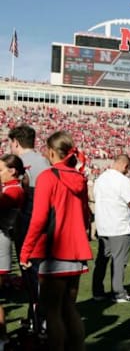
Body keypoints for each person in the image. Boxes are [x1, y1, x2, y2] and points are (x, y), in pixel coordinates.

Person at [19, 131, 93, 351]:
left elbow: (39, 218)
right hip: (77, 251)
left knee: (52, 312)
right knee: (70, 307)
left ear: (51, 151)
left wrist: (25, 251)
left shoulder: (48, 177)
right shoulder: (80, 178)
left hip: (55, 250)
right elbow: (86, 216)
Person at [8, 124, 49, 335]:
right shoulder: (45, 162)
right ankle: (34, 317)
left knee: (31, 276)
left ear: (15, 142)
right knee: (35, 276)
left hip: (27, 227)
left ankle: (38, 320)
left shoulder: (17, 164)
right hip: (44, 227)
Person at [92, 154, 130, 302]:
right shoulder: (122, 180)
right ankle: (118, 293)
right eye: (128, 169)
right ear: (125, 166)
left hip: (103, 225)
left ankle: (97, 291)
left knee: (101, 260)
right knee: (119, 261)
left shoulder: (100, 179)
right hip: (119, 225)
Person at [0, 154, 25, 346]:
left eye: (1, 170)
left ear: (12, 171)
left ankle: (2, 337)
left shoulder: (13, 190)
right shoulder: (10, 188)